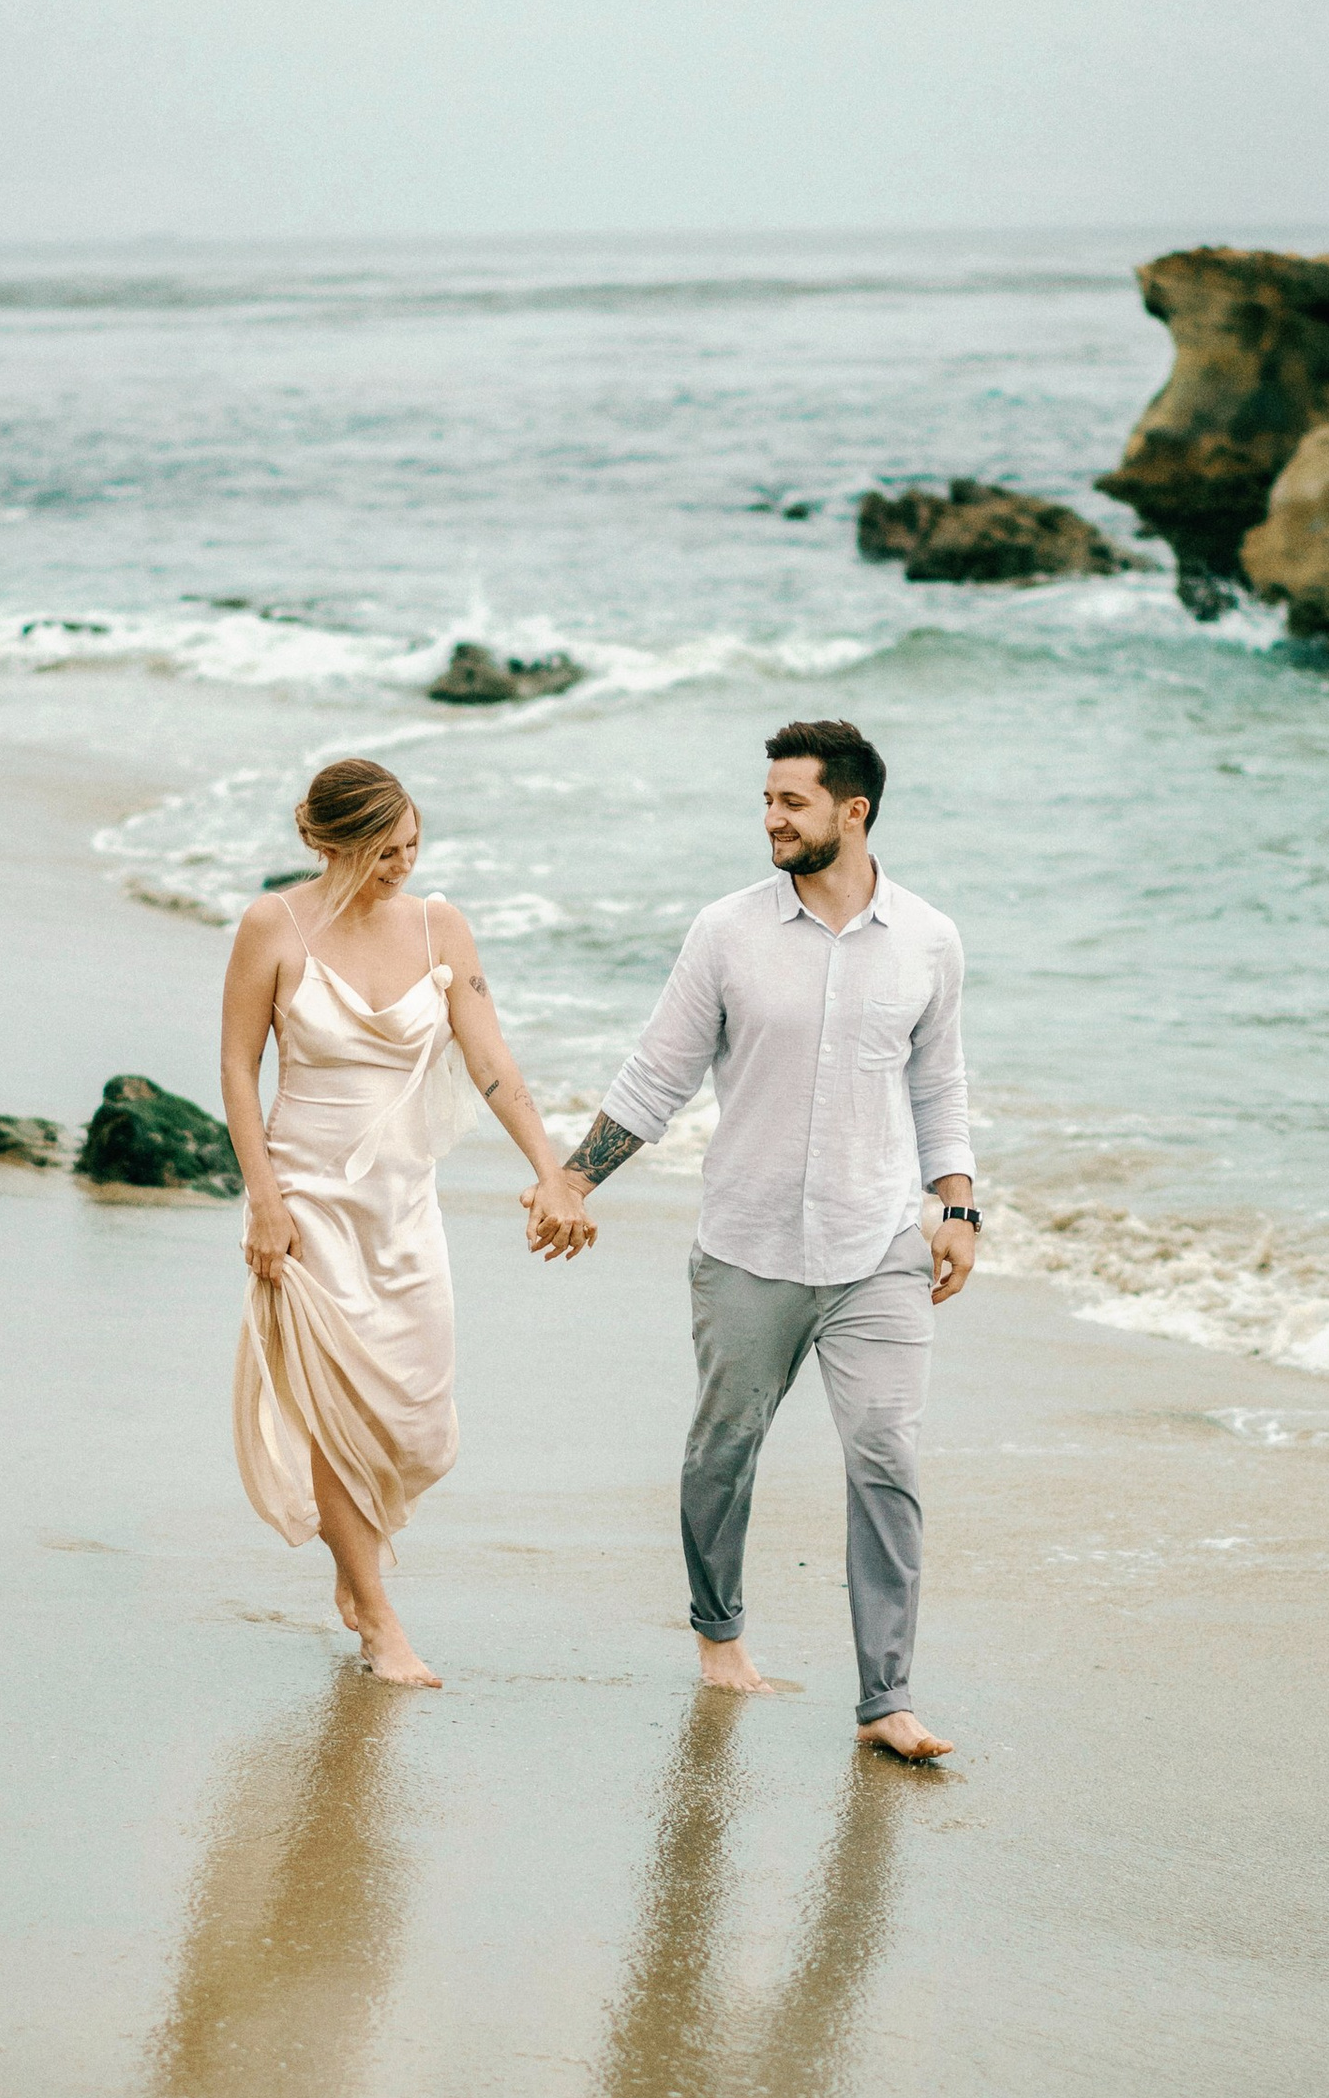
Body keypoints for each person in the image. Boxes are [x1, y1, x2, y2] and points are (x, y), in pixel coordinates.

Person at [524, 719, 977, 1761]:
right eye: (766, 800)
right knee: (724, 1451)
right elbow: (658, 1076)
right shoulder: (727, 932)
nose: (769, 818)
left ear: (851, 812)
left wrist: (955, 1205)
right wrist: (570, 1182)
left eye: (791, 802)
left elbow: (939, 1081)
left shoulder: (929, 940)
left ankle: (886, 1698)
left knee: (885, 1455)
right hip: (748, 1245)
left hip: (878, 1248)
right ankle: (719, 1631)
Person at [221, 757, 586, 1687]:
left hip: (403, 1202)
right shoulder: (275, 925)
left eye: (413, 846)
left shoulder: (440, 925)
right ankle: (380, 1621)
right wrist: (263, 1200)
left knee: (419, 1425)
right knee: (335, 1408)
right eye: (383, 853)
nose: (402, 867)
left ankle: (358, 1562)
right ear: (331, 846)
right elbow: (237, 1067)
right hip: (307, 1202)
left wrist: (554, 1173)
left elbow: (491, 1057)